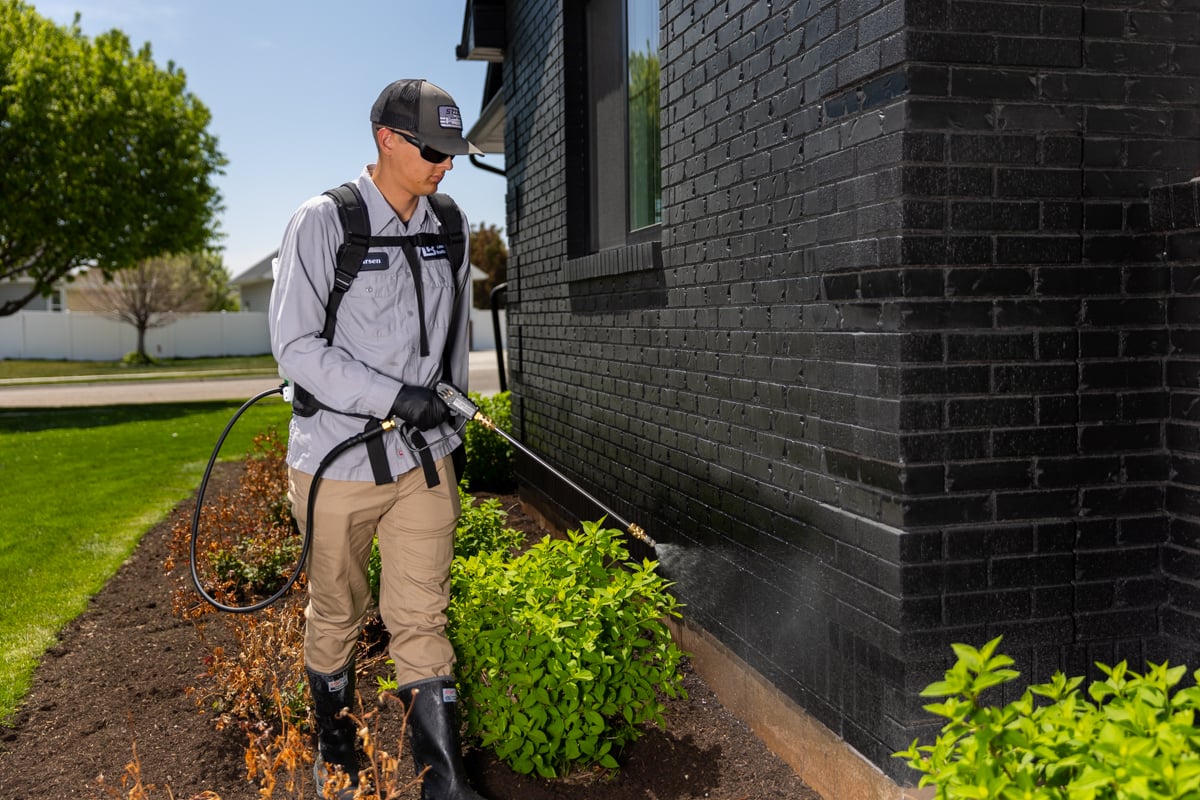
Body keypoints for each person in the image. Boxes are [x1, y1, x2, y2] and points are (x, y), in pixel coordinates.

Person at [268, 78, 487, 800]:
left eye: (453, 153)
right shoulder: (325, 223)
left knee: (423, 614)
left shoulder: (448, 223)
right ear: (386, 139)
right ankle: (338, 749)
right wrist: (396, 397)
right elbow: (297, 347)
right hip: (338, 462)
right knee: (338, 610)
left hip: (423, 461)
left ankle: (442, 782)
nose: (444, 165)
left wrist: (450, 417)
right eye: (432, 150)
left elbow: (455, 338)